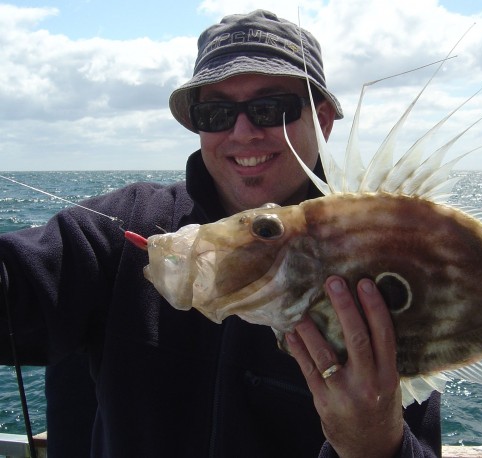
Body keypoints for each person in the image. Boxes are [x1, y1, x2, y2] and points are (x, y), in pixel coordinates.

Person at [0, 10, 441, 457]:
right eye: (216, 113)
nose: (243, 131)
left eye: (271, 108)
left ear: (322, 120)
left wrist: (374, 442)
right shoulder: (128, 224)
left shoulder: (376, 255)